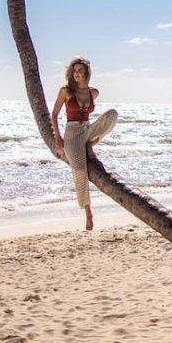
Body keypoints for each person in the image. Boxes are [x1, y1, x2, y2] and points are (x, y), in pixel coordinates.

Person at [51, 57, 118, 231]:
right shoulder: (66, 91)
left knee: (112, 114)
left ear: (87, 73)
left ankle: (91, 143)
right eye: (74, 71)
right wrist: (58, 137)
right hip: (72, 134)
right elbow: (54, 114)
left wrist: (91, 136)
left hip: (87, 130)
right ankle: (88, 213)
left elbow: (103, 115)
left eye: (80, 70)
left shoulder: (93, 92)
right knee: (80, 171)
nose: (76, 73)